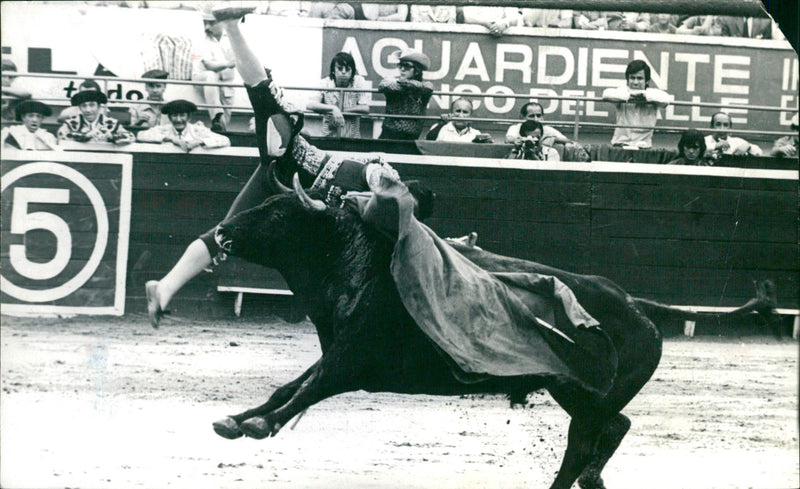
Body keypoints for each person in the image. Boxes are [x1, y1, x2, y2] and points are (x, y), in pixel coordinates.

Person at [145, 6, 432, 328]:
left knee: (224, 233)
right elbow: (378, 184)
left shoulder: (389, 222)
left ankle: (164, 287)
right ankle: (232, 27)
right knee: (264, 94)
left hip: (284, 177)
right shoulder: (383, 176)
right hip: (293, 158)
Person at [602, 59, 672, 149]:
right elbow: (605, 94)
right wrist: (631, 96)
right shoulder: (622, 92)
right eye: (632, 78)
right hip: (620, 145)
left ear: (647, 81)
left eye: (639, 78)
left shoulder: (652, 94)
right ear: (627, 79)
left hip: (644, 147)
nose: (635, 82)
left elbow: (666, 99)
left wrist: (644, 96)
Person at [306, 52, 371, 138]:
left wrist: (340, 112)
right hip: (328, 137)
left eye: (347, 69)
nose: (343, 72)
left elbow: (365, 108)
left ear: (352, 72)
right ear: (333, 70)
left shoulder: (358, 82)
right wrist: (333, 109)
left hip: (352, 138)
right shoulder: (325, 83)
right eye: (340, 69)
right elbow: (310, 105)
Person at [193, 11, 236, 132]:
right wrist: (228, 64)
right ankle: (216, 116)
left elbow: (238, 60)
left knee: (224, 126)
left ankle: (220, 129)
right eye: (204, 23)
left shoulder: (231, 38)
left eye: (211, 23)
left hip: (226, 83)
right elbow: (208, 65)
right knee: (211, 76)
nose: (207, 27)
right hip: (202, 78)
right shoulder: (201, 40)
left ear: (222, 22)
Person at [377, 48, 434, 140]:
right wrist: (407, 86)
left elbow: (428, 88)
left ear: (417, 70)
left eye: (407, 66)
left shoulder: (424, 85)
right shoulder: (393, 81)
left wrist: (406, 84)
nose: (402, 69)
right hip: (388, 133)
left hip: (410, 137)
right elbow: (383, 85)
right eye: (400, 65)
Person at [137, 99, 230, 151]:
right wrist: (171, 139)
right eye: (174, 115)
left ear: (189, 117)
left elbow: (225, 140)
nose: (178, 120)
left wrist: (199, 142)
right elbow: (141, 135)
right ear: (169, 118)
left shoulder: (198, 130)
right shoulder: (164, 129)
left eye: (182, 115)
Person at [57, 90, 134, 144]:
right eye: (84, 106)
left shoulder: (111, 123)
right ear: (79, 108)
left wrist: (112, 136)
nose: (88, 110)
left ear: (99, 107)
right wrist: (86, 136)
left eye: (92, 105)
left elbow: (130, 137)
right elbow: (62, 136)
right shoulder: (72, 122)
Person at [505, 102, 570, 147]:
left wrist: (553, 139)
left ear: (542, 116)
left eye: (538, 116)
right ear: (522, 117)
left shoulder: (547, 129)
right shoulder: (515, 128)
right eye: (531, 116)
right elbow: (508, 139)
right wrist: (516, 140)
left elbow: (568, 141)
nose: (536, 119)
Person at [425, 98, 489, 142]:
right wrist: (441, 124)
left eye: (465, 112)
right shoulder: (439, 127)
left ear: (470, 115)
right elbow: (428, 142)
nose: (460, 116)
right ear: (451, 112)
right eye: (458, 111)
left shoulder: (476, 133)